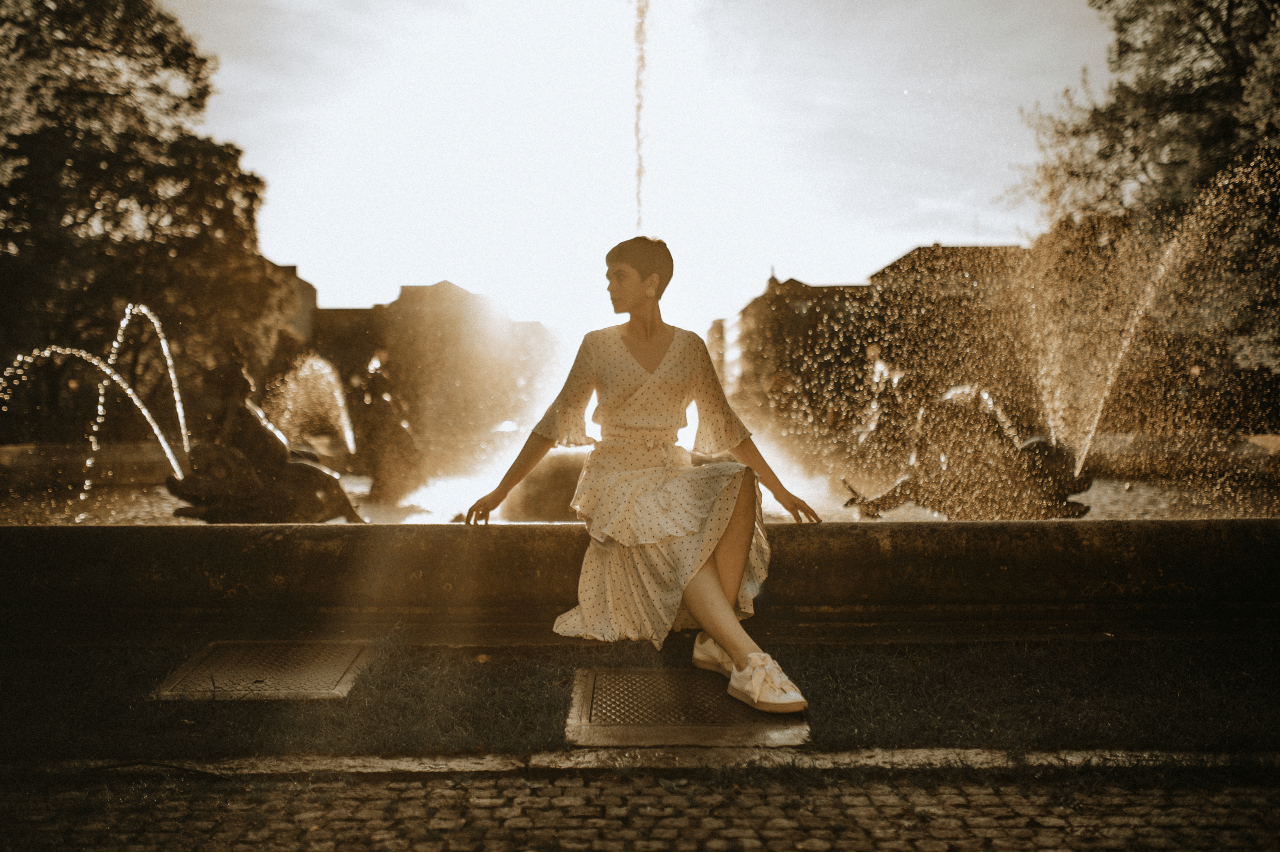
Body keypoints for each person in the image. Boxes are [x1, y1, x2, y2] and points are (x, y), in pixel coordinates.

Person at [466, 237, 821, 713]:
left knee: (739, 480)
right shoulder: (597, 345)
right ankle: (748, 658)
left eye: (620, 275)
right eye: (609, 275)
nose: (609, 285)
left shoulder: (691, 347)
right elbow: (552, 424)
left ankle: (715, 640)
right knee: (673, 519)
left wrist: (782, 490)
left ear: (651, 284)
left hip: (668, 470)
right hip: (616, 476)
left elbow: (729, 428)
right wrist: (498, 491)